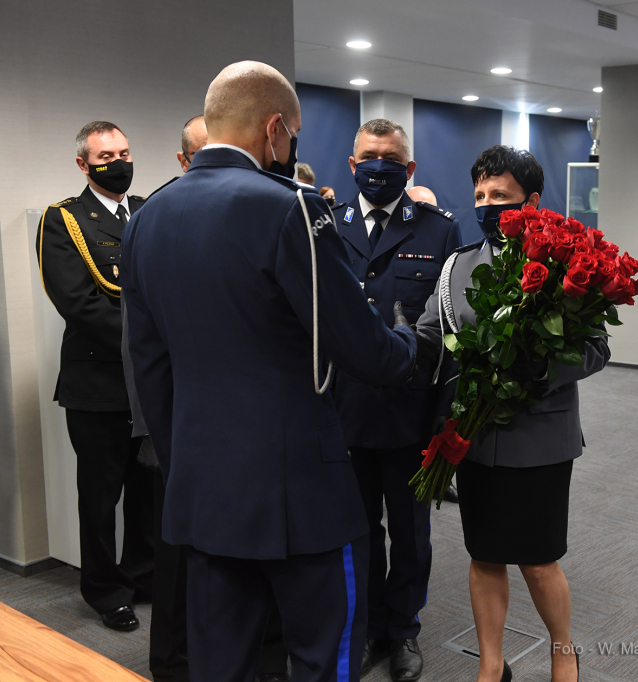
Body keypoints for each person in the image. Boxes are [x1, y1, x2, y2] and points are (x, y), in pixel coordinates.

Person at [122, 61, 418, 682]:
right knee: (322, 656)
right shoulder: (293, 210)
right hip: (303, 492)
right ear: (275, 129)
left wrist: (187, 466)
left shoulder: (149, 215)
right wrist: (412, 343)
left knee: (219, 662)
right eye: (295, 135)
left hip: (204, 490)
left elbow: (148, 367)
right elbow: (363, 350)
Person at [417, 145, 609, 682]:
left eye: (500, 195)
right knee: (484, 555)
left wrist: (541, 367)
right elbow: (431, 335)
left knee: (538, 559)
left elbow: (596, 348)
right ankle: (492, 663)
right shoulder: (458, 265)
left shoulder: (560, 264)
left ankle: (563, 648)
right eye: (479, 195)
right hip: (474, 438)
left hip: (540, 440)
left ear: (533, 201)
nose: (486, 205)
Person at [128, 116, 290, 682]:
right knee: (185, 571)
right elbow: (142, 348)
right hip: (181, 429)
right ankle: (172, 666)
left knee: (247, 572)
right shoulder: (156, 218)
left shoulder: (259, 211)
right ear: (183, 160)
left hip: (236, 436)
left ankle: (261, 661)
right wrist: (166, 441)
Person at [330, 119, 460, 682]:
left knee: (410, 534)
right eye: (368, 156)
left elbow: (452, 332)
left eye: (390, 157)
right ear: (351, 164)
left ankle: (403, 630)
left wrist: (446, 416)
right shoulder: (326, 227)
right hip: (344, 412)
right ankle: (364, 630)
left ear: (408, 169)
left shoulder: (439, 231)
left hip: (411, 412)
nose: (377, 165)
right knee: (355, 531)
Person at [36, 121, 154, 633]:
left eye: (125, 151)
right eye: (107, 155)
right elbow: (78, 303)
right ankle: (106, 590)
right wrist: (151, 345)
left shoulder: (150, 211)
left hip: (148, 386)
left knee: (149, 490)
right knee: (101, 497)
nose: (119, 161)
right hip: (99, 385)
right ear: (84, 164)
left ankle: (144, 576)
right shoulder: (63, 220)